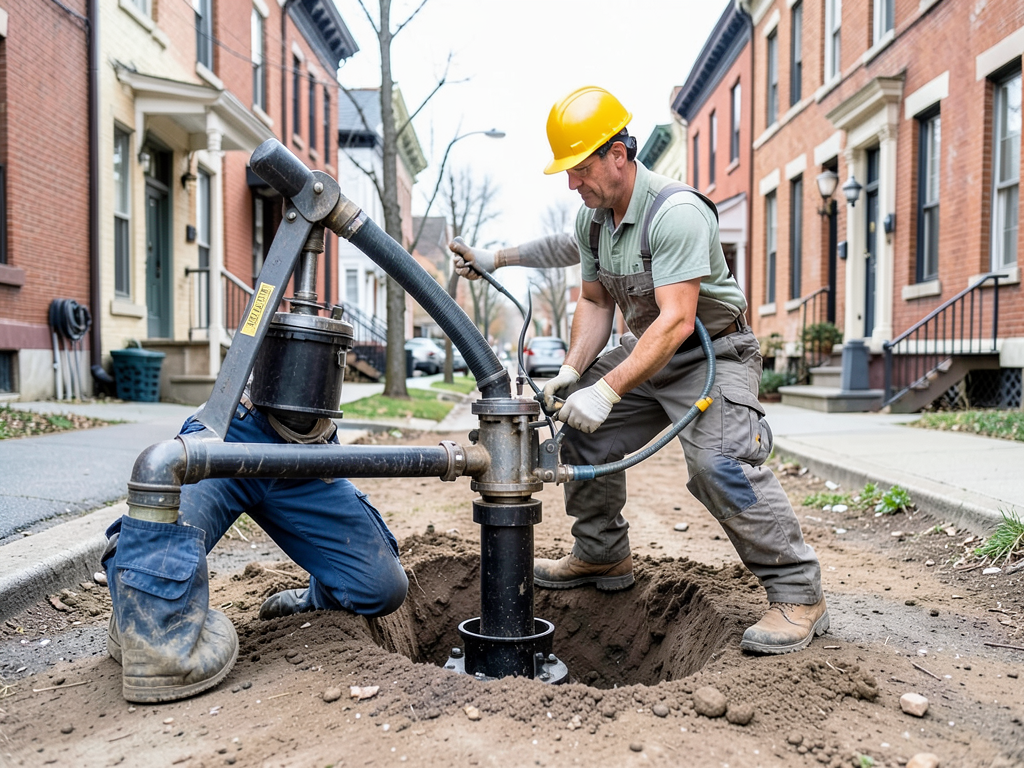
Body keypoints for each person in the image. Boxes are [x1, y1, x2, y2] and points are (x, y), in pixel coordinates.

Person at [450, 85, 827, 655]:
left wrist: (607, 389)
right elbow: (599, 303)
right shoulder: (595, 221)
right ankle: (602, 553)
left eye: (578, 169)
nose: (571, 184)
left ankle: (799, 593)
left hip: (713, 356)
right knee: (579, 430)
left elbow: (676, 322)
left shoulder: (675, 214)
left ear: (618, 155)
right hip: (649, 355)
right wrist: (573, 373)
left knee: (717, 463)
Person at [101, 396, 408, 703]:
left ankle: (312, 601)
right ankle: (131, 606)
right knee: (159, 639)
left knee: (381, 588)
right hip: (234, 434)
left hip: (308, 450)